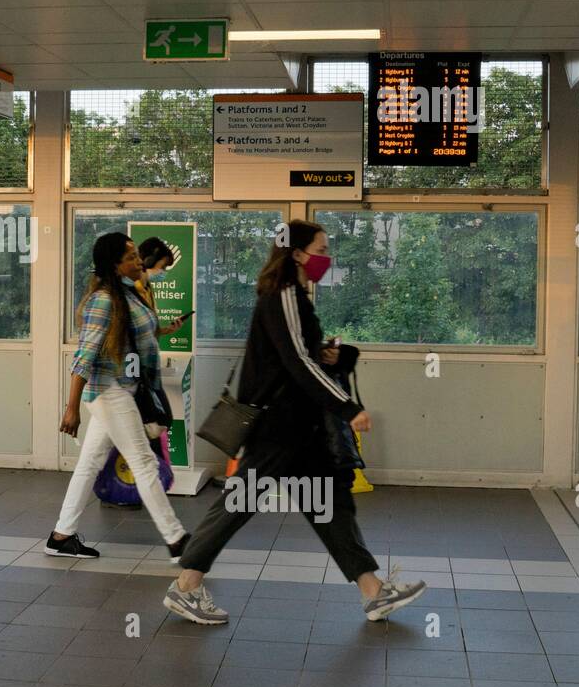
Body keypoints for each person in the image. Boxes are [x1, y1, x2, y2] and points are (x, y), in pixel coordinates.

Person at [163, 220, 425, 624]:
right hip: (279, 428)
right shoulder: (283, 294)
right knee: (240, 502)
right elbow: (296, 361)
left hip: (300, 429)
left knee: (331, 504)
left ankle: (373, 591)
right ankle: (186, 585)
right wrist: (347, 407)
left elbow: (301, 354)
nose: (326, 254)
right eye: (321, 247)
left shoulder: (294, 296)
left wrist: (336, 355)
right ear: (299, 253)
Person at [49, 232, 190, 560]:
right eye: (130, 257)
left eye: (135, 255)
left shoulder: (129, 294)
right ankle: (177, 539)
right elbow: (84, 356)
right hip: (110, 390)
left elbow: (140, 336)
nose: (138, 260)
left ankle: (61, 535)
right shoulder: (104, 300)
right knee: (142, 461)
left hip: (126, 388)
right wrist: (72, 408)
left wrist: (164, 330)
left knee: (90, 462)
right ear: (114, 265)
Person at [136, 235, 189, 338]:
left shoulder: (147, 289)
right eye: (163, 266)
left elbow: (146, 329)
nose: (164, 272)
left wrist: (166, 330)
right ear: (148, 261)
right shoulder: (130, 289)